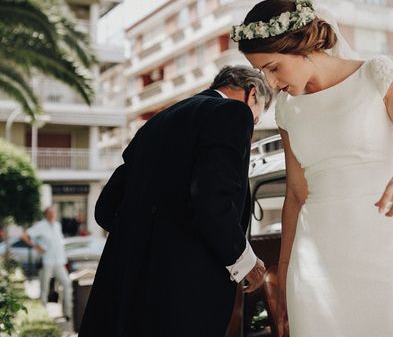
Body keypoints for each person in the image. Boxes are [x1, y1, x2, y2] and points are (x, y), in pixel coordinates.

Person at [233, 0, 393, 337]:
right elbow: (295, 194)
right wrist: (286, 279)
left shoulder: (376, 75)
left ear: (303, 45)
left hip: (382, 259)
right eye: (262, 73)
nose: (271, 83)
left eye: (274, 68)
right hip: (314, 268)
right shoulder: (288, 110)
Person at [79, 66, 273, 337]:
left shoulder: (159, 120)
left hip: (128, 287)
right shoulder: (233, 113)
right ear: (252, 94)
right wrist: (244, 262)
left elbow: (106, 209)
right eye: (256, 119)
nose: (251, 126)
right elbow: (212, 201)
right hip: (185, 292)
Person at [21, 206, 73, 320]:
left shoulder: (57, 225)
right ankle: (43, 314)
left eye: (54, 212)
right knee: (44, 288)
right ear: (46, 214)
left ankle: (67, 313)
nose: (53, 214)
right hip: (47, 261)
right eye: (50, 213)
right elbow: (24, 236)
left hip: (59, 261)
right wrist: (36, 247)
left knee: (66, 283)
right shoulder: (41, 226)